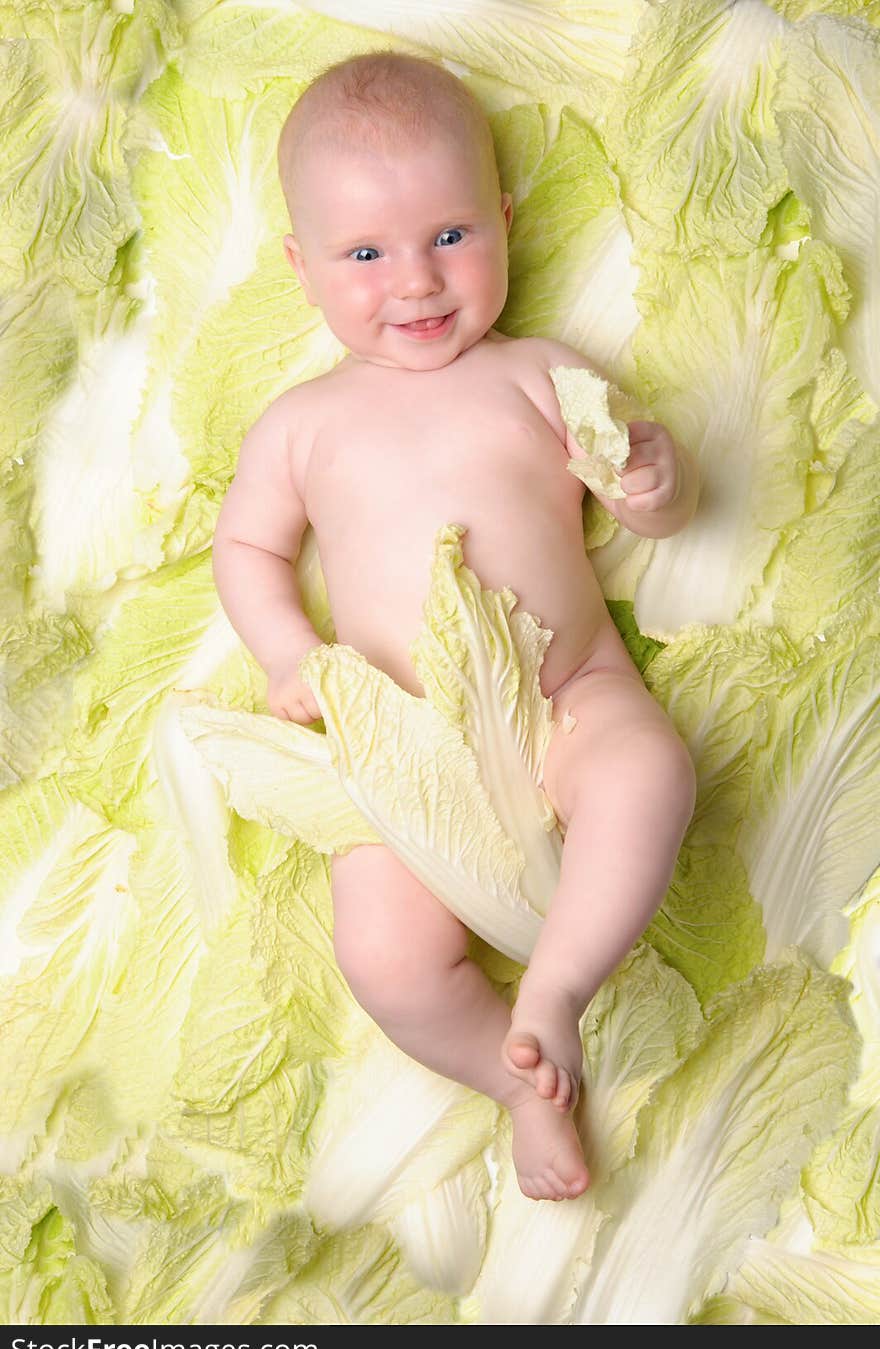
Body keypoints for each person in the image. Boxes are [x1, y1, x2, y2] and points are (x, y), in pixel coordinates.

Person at [211, 51, 698, 1202]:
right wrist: (286, 652)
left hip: (570, 695)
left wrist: (652, 484)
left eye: (450, 236)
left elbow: (657, 508)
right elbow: (246, 550)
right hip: (404, 747)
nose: (416, 283)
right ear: (302, 269)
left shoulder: (540, 374)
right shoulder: (302, 425)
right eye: (365, 255)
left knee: (651, 774)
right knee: (384, 956)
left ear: (504, 221)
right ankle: (515, 1080)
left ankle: (556, 992)